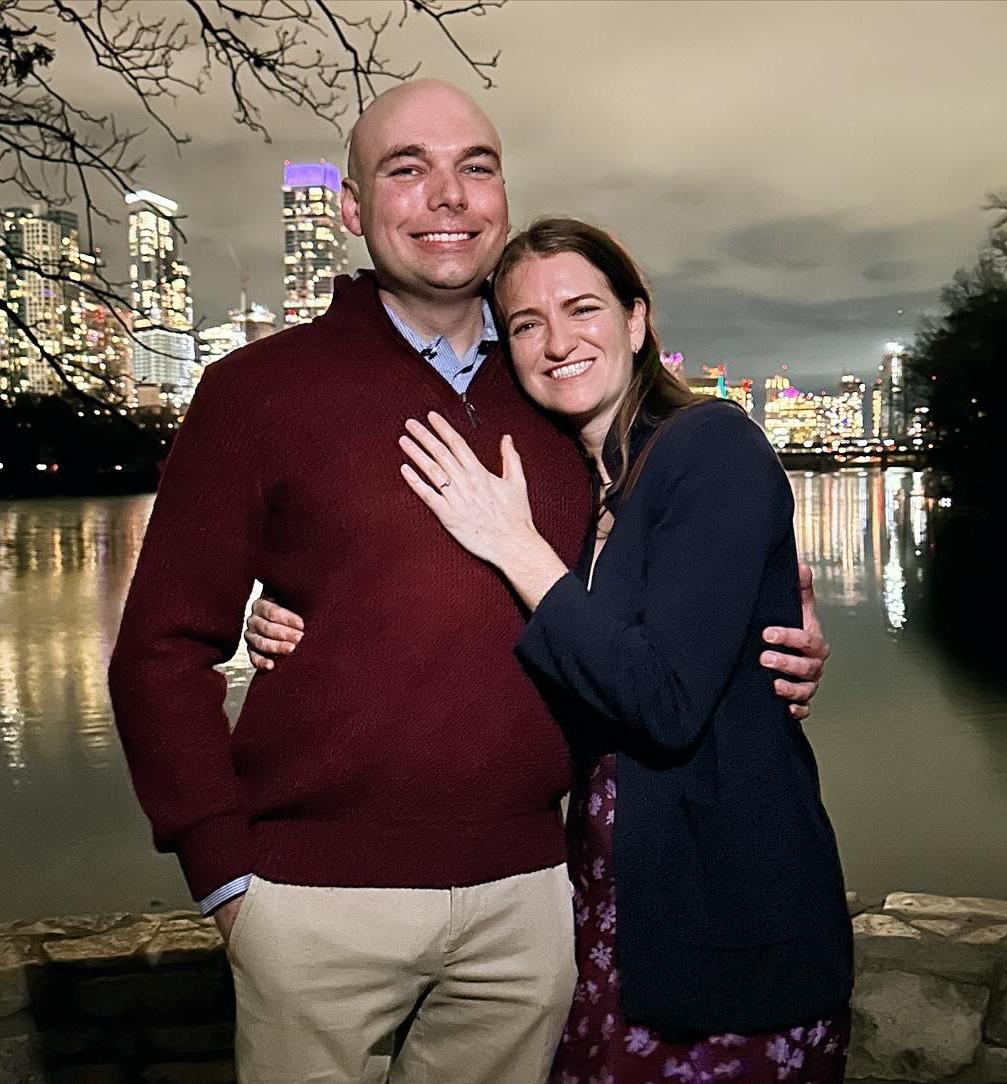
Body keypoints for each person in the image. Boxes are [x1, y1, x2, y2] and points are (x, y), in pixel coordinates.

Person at [109, 80, 829, 1084]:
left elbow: (653, 597)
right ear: (354, 210)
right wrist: (225, 876)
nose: (447, 195)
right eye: (408, 169)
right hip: (313, 901)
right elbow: (159, 648)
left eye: (474, 167)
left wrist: (769, 634)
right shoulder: (257, 390)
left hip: (534, 899)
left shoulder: (559, 395)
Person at [395, 218, 854, 1082]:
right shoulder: (583, 489)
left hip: (724, 912)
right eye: (527, 323)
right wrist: (290, 629)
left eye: (583, 309)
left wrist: (513, 544)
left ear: (638, 322)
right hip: (612, 914)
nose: (558, 341)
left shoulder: (709, 445)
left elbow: (666, 700)